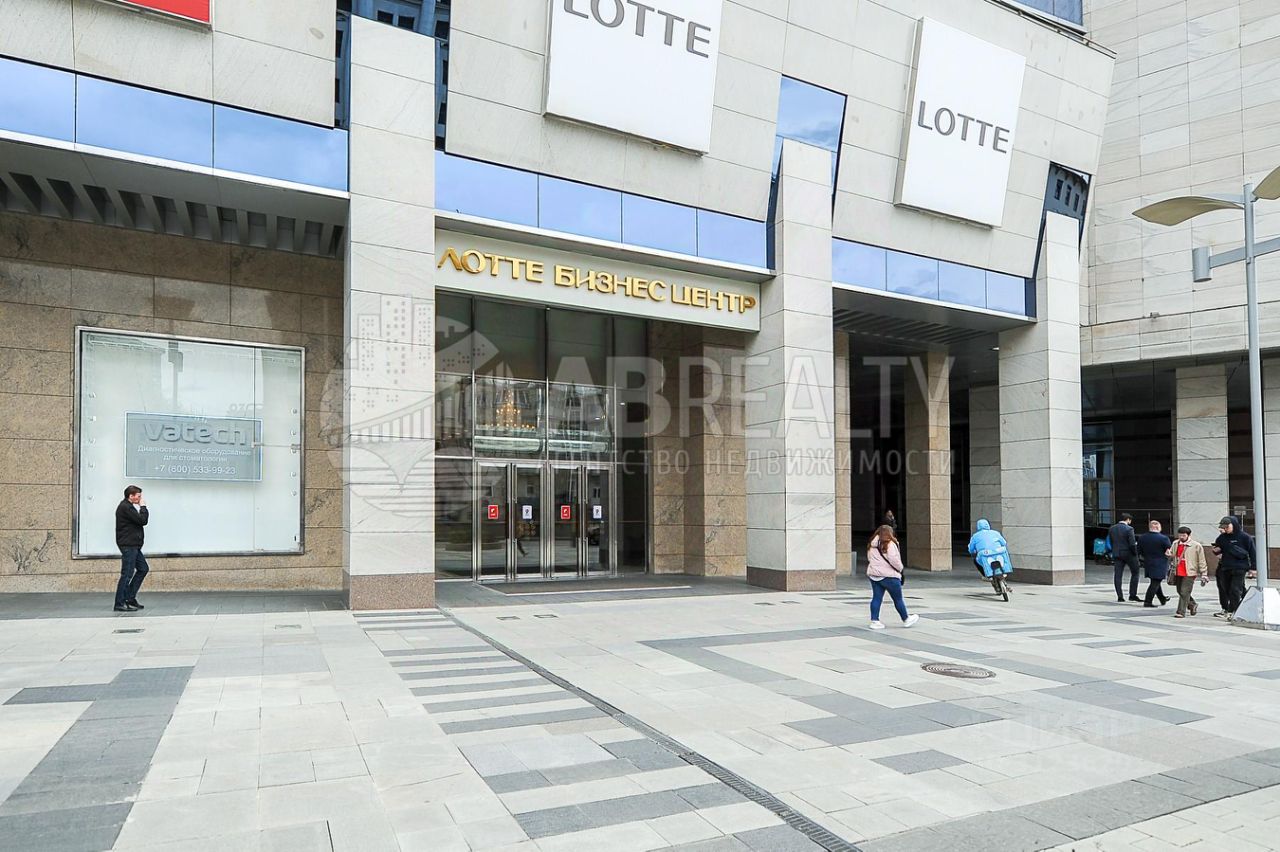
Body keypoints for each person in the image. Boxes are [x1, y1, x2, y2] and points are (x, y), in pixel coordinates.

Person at [866, 525, 918, 630]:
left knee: (876, 598)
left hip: (875, 575)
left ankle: (875, 621)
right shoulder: (890, 544)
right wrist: (900, 568)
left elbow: (869, 558)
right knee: (898, 599)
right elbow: (894, 560)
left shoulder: (872, 544)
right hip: (890, 576)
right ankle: (906, 618)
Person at [114, 485, 150, 613]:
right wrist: (143, 507)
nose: (140, 499)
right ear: (131, 496)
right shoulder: (126, 507)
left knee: (143, 569)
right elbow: (142, 520)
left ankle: (129, 597)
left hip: (133, 545)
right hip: (128, 545)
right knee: (127, 574)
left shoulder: (128, 507)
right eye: (138, 496)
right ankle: (119, 603)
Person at [1211, 515, 1254, 618]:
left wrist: (1253, 568)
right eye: (1224, 527)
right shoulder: (1222, 538)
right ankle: (1241, 606)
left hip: (1240, 567)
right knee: (1227, 588)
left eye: (1227, 527)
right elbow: (1218, 548)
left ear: (1234, 525)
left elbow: (1253, 552)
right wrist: (1216, 551)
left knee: (1235, 590)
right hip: (1226, 567)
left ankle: (1234, 611)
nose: (1225, 529)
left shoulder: (1245, 537)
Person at [1168, 526, 1208, 618]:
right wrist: (1169, 555)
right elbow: (1172, 554)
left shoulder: (1196, 545)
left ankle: (1181, 612)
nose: (1181, 537)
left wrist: (1204, 573)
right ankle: (1192, 604)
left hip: (1190, 571)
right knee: (1179, 590)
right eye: (1180, 535)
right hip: (1177, 570)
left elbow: (1202, 560)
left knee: (1184, 591)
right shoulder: (1175, 543)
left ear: (1188, 535)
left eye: (1184, 535)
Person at [1137, 520, 1171, 607]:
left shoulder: (1142, 537)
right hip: (1160, 563)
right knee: (1155, 582)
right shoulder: (1163, 538)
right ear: (1158, 527)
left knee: (1155, 581)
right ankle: (1148, 601)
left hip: (1148, 562)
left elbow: (1139, 550)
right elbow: (1169, 551)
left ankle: (1162, 598)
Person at [1108, 513, 1140, 603]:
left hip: (1117, 553)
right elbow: (1132, 544)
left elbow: (1111, 541)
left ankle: (1120, 596)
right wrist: (1135, 554)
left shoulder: (1112, 528)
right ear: (1128, 519)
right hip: (1128, 554)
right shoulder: (1129, 529)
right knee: (1135, 572)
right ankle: (1132, 595)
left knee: (1118, 575)